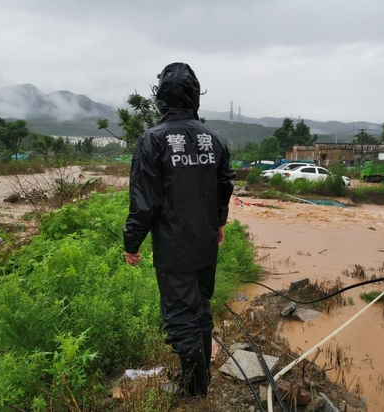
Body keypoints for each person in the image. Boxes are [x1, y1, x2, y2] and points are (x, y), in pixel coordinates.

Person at [123, 62, 235, 397]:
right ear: (195, 96)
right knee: (200, 308)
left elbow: (144, 201)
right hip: (204, 244)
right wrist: (219, 223)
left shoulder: (153, 140)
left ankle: (194, 389)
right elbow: (224, 185)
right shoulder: (213, 139)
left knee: (181, 317)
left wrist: (132, 241)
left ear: (161, 98)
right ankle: (200, 382)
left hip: (174, 247)